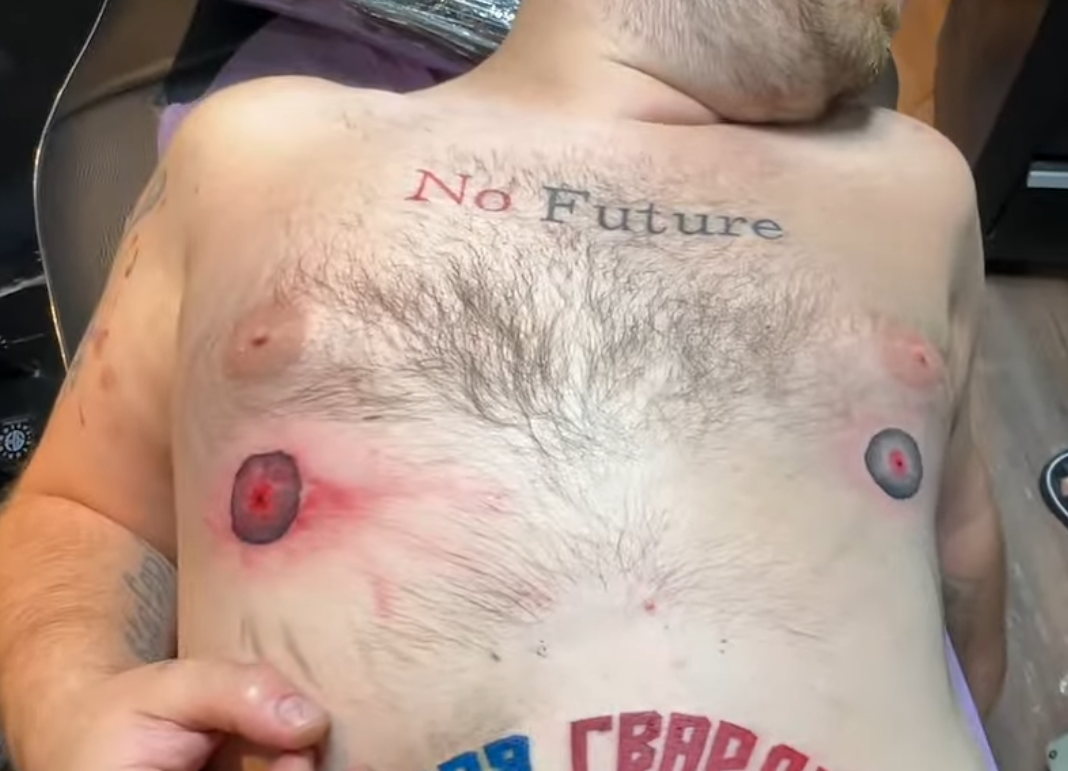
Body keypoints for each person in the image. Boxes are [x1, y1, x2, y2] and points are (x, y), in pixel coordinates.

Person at [0, 0, 1007, 769]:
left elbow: (959, 575)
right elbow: (88, 509)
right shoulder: (259, 150)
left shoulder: (917, 187)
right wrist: (66, 699)